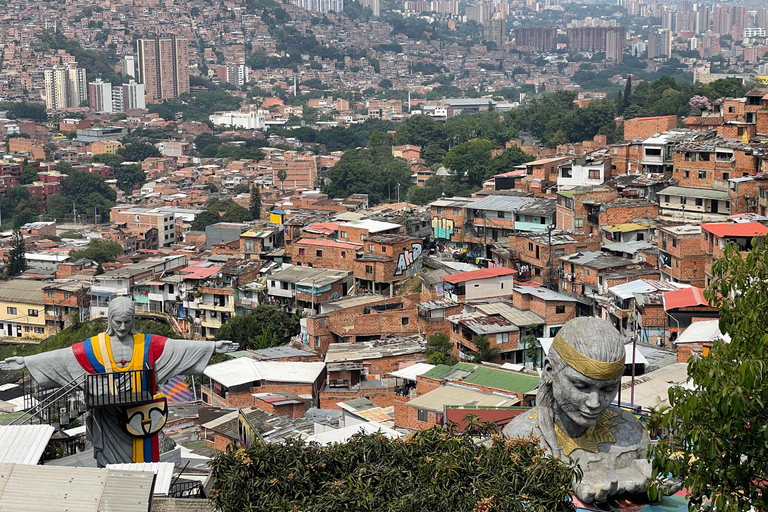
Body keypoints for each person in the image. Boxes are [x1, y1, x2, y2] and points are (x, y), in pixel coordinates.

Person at [0, 297, 238, 467]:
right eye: (118, 322)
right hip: (109, 417)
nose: (123, 328)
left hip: (142, 416)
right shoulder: (95, 346)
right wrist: (26, 361)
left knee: (142, 467)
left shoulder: (148, 344)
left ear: (133, 320)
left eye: (127, 322)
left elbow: (179, 347)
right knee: (112, 466)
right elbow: (62, 356)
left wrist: (213, 346)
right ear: (110, 320)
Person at [502, 317, 651, 504]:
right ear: (549, 370)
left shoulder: (633, 433)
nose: (595, 402)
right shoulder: (518, 440)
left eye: (607, 389)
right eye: (581, 386)